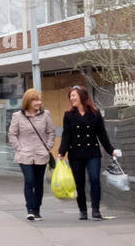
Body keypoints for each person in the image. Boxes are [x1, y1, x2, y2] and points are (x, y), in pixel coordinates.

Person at [57, 84, 122, 220]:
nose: (71, 98)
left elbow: (102, 135)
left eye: (73, 95)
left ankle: (96, 210)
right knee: (79, 182)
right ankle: (82, 210)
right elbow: (66, 135)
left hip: (92, 152)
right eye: (70, 96)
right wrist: (61, 152)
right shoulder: (68, 115)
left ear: (82, 96)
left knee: (94, 179)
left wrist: (111, 150)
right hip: (76, 154)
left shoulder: (95, 114)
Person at [9, 88, 56, 221]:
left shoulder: (46, 114)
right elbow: (12, 134)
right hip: (25, 154)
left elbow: (51, 132)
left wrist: (48, 146)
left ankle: (37, 210)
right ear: (28, 101)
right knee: (29, 180)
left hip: (41, 154)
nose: (39, 102)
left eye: (40, 99)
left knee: (39, 182)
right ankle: (30, 209)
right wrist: (19, 148)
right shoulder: (17, 116)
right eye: (36, 100)